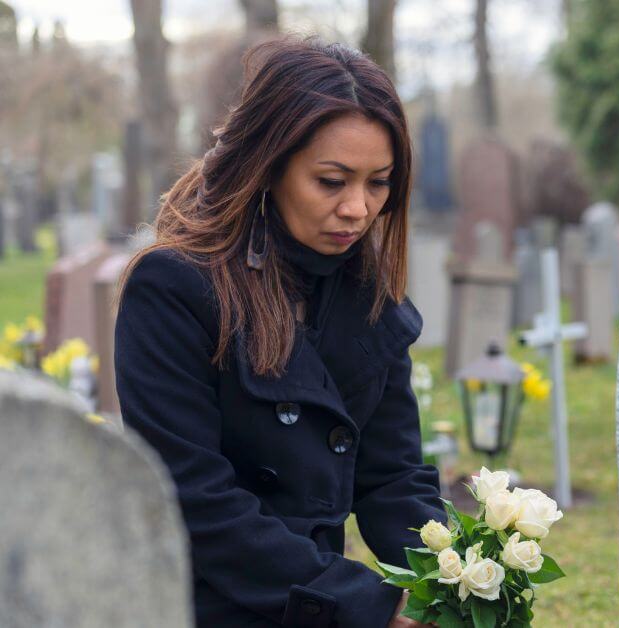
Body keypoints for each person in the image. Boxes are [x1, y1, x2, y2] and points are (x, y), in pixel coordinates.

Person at [115, 36, 442, 628]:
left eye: (379, 183)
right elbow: (197, 501)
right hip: (210, 606)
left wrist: (455, 583)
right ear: (268, 166)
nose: (358, 210)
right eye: (332, 181)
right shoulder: (174, 288)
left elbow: (392, 476)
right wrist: (367, 605)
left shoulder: (366, 293)